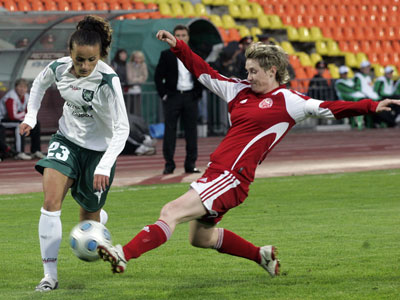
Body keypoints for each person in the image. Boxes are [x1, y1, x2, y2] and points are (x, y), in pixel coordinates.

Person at [97, 29, 400, 277]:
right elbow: (204, 72)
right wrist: (179, 47)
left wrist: (371, 106)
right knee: (200, 239)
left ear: (273, 70)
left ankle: (122, 254)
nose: (249, 76)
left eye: (254, 71)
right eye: (247, 70)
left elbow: (330, 108)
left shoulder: (289, 100)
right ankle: (261, 255)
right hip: (220, 174)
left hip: (231, 176)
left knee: (170, 212)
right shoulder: (238, 90)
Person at [19, 15, 130, 292]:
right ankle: (49, 276)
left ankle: (98, 221)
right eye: (79, 59)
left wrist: (104, 165)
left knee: (87, 221)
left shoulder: (108, 80)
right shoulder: (57, 68)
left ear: (100, 56)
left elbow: (123, 128)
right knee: (50, 201)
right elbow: (38, 85)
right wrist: (30, 117)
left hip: (98, 153)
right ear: (70, 53)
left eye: (91, 60)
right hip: (66, 140)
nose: (84, 66)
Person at [154, 24, 203, 175]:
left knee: (191, 132)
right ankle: (169, 164)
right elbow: (157, 77)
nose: (181, 38)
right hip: (173, 97)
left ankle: (190, 164)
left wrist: (197, 94)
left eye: (183, 35)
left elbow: (202, 75)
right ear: (173, 37)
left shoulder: (195, 53)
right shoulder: (166, 54)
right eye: (178, 36)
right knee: (170, 131)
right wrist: (165, 95)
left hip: (190, 97)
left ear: (188, 37)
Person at [0, 79, 44, 160]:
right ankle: (19, 152)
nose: (22, 89)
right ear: (16, 88)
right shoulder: (11, 96)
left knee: (36, 123)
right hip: (3, 120)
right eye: (20, 86)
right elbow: (12, 116)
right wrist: (25, 116)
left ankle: (35, 150)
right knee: (20, 125)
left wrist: (28, 119)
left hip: (15, 120)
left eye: (24, 87)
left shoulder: (27, 96)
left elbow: (30, 112)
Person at [125, 50, 148, 115]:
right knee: (129, 108)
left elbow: (144, 77)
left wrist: (135, 79)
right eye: (136, 57)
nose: (137, 59)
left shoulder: (143, 65)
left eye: (139, 58)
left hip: (138, 90)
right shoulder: (129, 64)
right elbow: (129, 78)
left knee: (137, 109)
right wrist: (138, 78)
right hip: (129, 90)